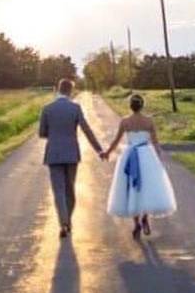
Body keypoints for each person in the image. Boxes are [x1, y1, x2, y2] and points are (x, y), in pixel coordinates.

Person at [39, 78, 106, 239]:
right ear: (70, 91)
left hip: (53, 154)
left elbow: (42, 133)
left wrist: (54, 134)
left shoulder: (47, 109)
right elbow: (87, 130)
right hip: (71, 154)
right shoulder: (75, 108)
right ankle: (68, 220)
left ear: (58, 89)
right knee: (70, 189)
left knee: (58, 191)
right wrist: (99, 150)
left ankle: (63, 223)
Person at [105, 93, 176, 239]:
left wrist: (107, 152)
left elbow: (116, 141)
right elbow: (155, 142)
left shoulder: (125, 121)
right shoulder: (149, 121)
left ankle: (136, 222)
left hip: (130, 154)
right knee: (146, 187)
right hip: (146, 155)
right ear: (142, 105)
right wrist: (158, 157)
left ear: (130, 106)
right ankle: (145, 217)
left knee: (131, 187)